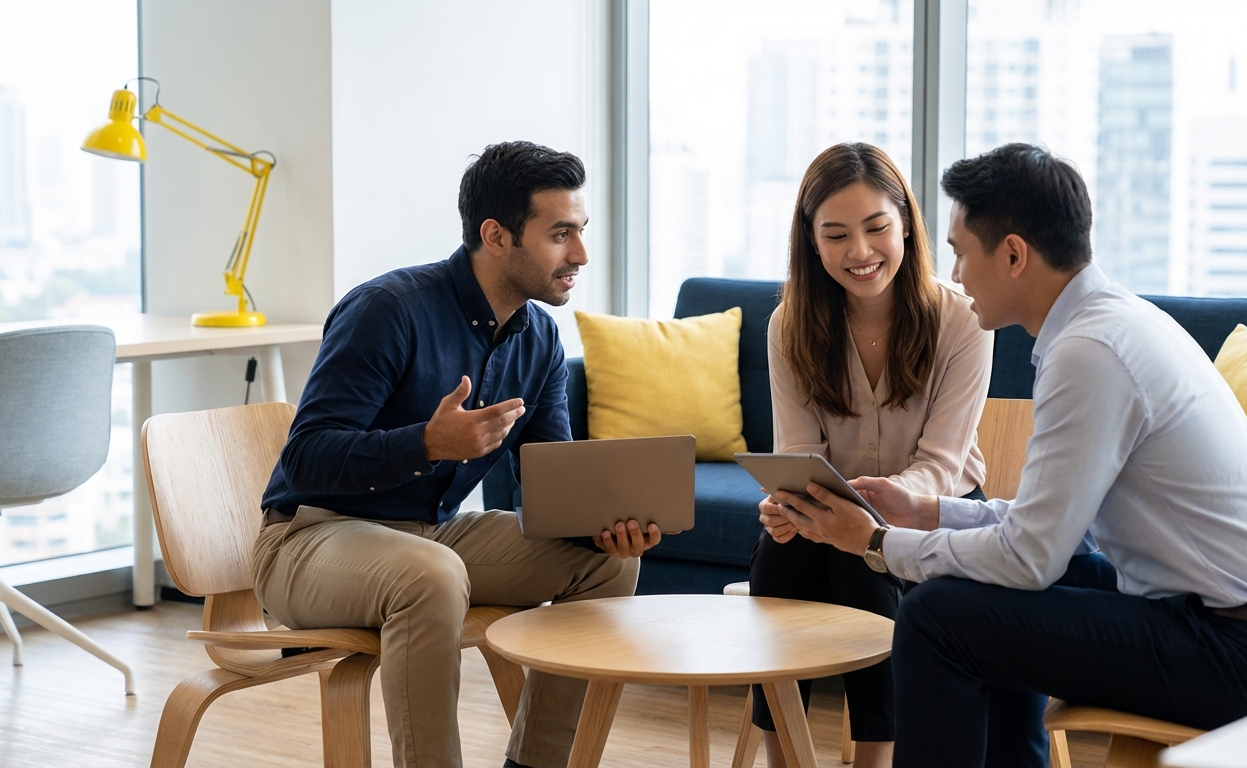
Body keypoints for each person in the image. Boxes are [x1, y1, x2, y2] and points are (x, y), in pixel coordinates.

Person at [771, 143, 1247, 767]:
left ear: (1013, 255)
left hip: (1240, 651)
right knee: (977, 586)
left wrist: (874, 544)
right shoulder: (1105, 326)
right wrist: (925, 511)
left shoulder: (1090, 353)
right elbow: (1051, 533)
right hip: (1233, 627)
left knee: (936, 616)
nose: (953, 274)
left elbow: (1029, 557)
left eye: (960, 252)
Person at [253, 141, 663, 768]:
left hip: (429, 534)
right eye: (560, 235)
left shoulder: (540, 338)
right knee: (431, 574)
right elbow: (306, 457)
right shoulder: (388, 310)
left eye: (579, 232)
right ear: (496, 235)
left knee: (605, 565)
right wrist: (426, 443)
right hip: (309, 540)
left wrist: (606, 521)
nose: (580, 254)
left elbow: (549, 479)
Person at [750, 142, 993, 768]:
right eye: (836, 235)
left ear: (906, 224)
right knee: (782, 549)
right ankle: (783, 757)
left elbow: (942, 462)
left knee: (859, 551)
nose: (860, 252)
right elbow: (799, 454)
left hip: (938, 509)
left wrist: (858, 517)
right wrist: (786, 504)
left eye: (877, 227)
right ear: (811, 243)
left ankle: (874, 759)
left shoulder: (962, 321)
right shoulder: (789, 325)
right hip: (833, 503)